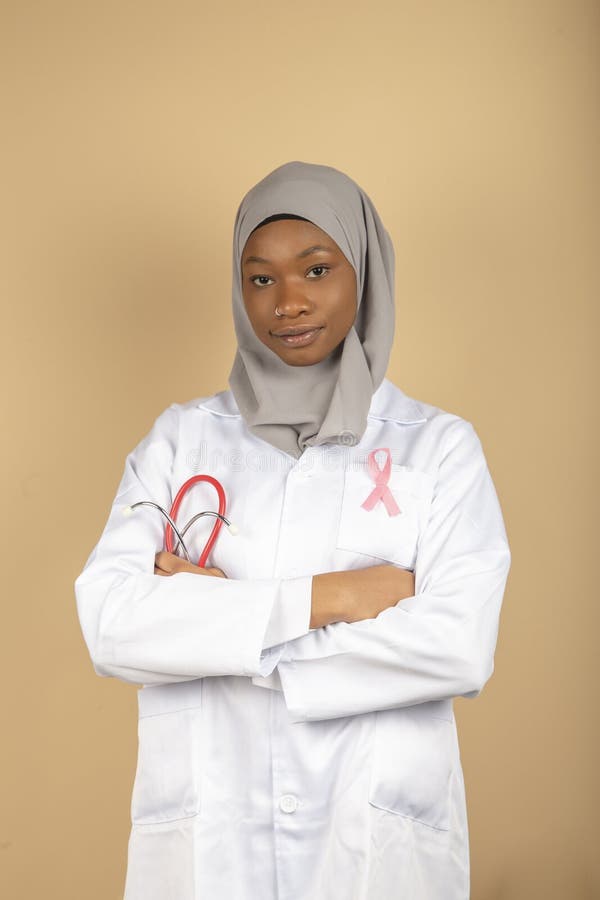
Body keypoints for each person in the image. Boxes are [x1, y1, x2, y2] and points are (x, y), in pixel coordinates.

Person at [74, 160, 511, 900]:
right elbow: (111, 623)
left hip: (371, 836)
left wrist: (218, 629)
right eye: (261, 279)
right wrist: (330, 597)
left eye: (317, 268)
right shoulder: (181, 442)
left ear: (363, 273)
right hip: (212, 842)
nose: (289, 302)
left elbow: (458, 647)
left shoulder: (436, 447)